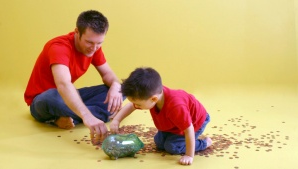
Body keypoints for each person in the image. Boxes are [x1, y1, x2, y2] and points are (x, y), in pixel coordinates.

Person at [24, 10, 123, 144]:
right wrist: (87, 116)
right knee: (51, 97)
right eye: (89, 42)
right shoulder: (59, 47)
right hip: (44, 102)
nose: (94, 48)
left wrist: (116, 87)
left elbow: (107, 74)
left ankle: (69, 118)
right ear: (77, 32)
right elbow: (63, 84)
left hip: (69, 97)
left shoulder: (94, 47)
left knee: (122, 89)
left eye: (99, 43)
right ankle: (88, 115)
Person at [110, 67, 212, 165]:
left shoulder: (175, 106)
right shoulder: (152, 95)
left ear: (153, 99)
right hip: (174, 123)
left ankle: (204, 143)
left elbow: (188, 129)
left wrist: (189, 156)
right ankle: (175, 135)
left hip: (195, 122)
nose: (135, 106)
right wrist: (116, 120)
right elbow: (131, 106)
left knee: (172, 147)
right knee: (159, 142)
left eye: (138, 104)